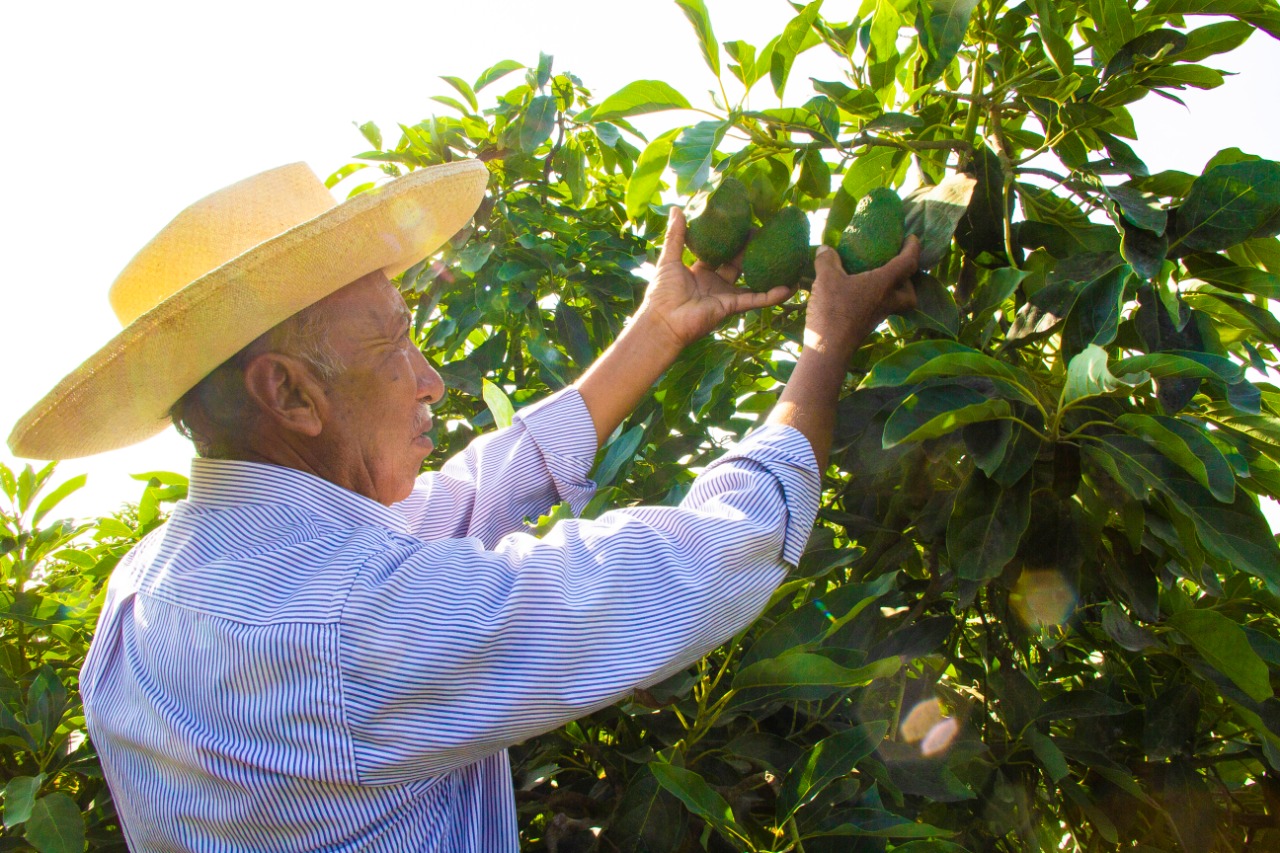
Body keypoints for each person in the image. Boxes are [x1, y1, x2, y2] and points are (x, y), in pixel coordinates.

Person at [8, 160, 918, 851]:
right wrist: (826, 346)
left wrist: (657, 329)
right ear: (288, 393)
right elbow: (703, 558)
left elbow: (477, 489)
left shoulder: (146, 587)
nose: (431, 380)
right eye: (395, 344)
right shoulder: (346, 624)